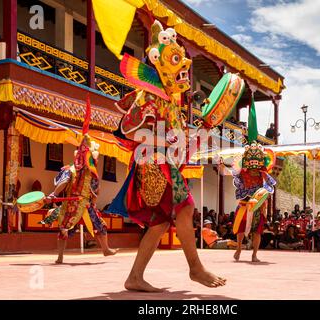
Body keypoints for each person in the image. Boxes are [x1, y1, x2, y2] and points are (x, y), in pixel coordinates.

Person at [107, 21, 226, 291]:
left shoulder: (171, 102)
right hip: (152, 163)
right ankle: (195, 268)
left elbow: (178, 142)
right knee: (185, 208)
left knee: (161, 222)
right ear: (160, 66)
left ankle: (134, 277)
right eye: (176, 63)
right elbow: (128, 130)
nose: (183, 70)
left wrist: (198, 135)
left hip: (164, 161)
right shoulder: (148, 96)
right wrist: (164, 140)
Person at [40, 107, 117, 263]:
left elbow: (95, 192)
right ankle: (61, 257)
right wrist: (54, 195)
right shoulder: (72, 170)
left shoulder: (88, 172)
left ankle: (105, 250)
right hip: (74, 204)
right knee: (65, 229)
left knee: (95, 226)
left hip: (83, 204)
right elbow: (64, 183)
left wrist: (54, 195)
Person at [228, 143, 277, 262]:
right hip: (244, 205)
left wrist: (263, 196)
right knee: (240, 229)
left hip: (257, 207)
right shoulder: (242, 173)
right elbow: (236, 180)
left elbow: (269, 187)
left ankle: (254, 254)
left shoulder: (263, 174)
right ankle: (239, 248)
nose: (254, 162)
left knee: (257, 232)